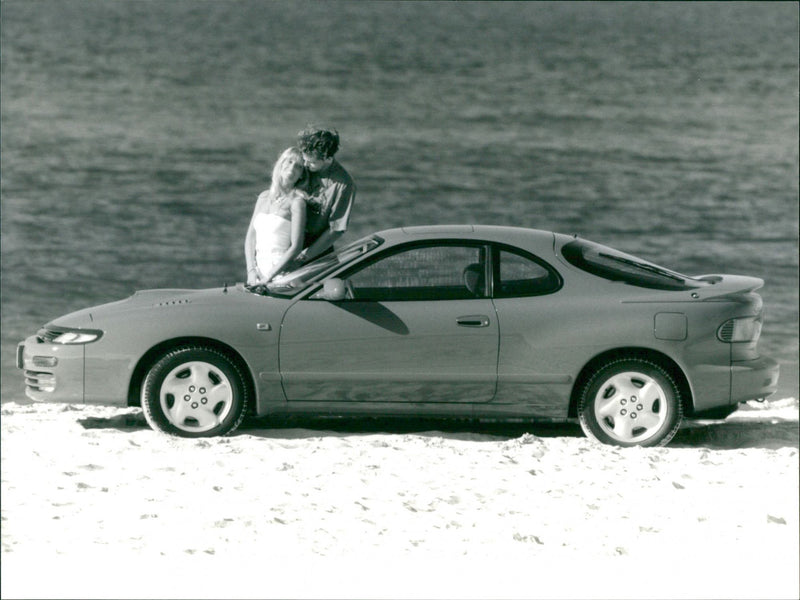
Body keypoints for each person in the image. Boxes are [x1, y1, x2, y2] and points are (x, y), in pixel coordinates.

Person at [244, 147, 309, 285]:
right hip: (257, 274)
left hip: (280, 276)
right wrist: (251, 272)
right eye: (289, 161)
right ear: (281, 164)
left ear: (302, 175)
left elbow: (296, 247)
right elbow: (251, 237)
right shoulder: (263, 197)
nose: (292, 167)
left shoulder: (297, 202)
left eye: (298, 166)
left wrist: (270, 277)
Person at [294, 126, 356, 263]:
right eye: (304, 159)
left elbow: (336, 229)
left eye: (312, 162)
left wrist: (304, 257)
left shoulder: (344, 184)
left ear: (328, 158)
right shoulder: (301, 166)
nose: (305, 165)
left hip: (316, 253)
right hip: (287, 242)